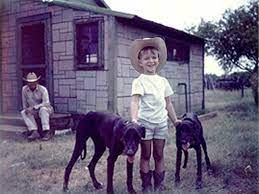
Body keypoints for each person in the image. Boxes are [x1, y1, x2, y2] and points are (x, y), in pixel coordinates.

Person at [130, 37, 182, 192]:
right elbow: (135, 102)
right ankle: (146, 185)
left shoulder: (163, 81)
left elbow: (168, 103)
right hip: (144, 124)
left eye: (154, 57)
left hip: (161, 124)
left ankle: (159, 184)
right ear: (140, 62)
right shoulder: (139, 81)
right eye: (146, 58)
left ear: (159, 60)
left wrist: (175, 120)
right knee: (146, 155)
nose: (150, 61)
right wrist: (134, 119)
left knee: (159, 154)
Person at [21, 72, 54, 141]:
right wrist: (27, 109)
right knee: (23, 112)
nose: (31, 84)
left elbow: (46, 103)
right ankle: (34, 131)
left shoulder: (43, 89)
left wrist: (34, 107)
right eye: (29, 82)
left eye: (33, 82)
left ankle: (46, 131)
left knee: (43, 109)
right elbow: (24, 104)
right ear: (27, 82)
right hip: (33, 111)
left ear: (37, 82)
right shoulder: (24, 89)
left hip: (46, 109)